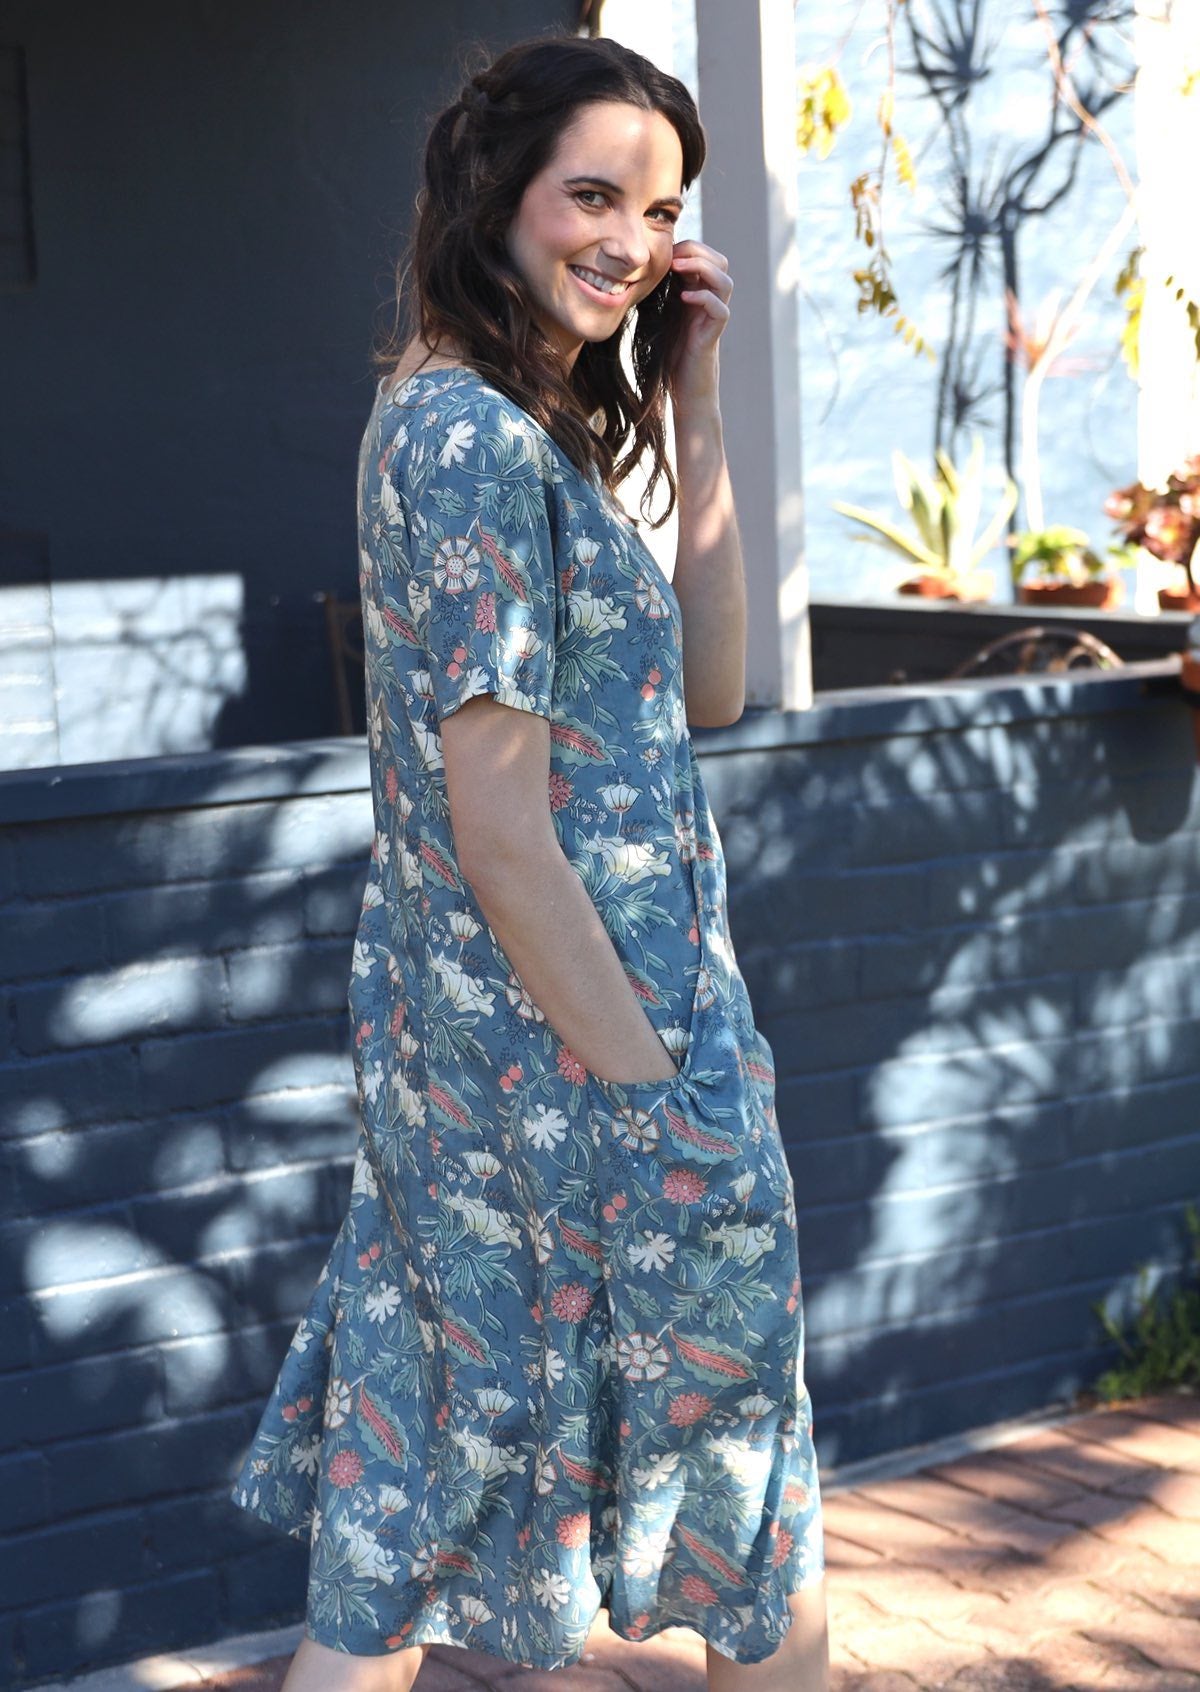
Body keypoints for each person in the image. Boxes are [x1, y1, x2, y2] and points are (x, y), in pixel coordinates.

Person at [229, 30, 829, 1692]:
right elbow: (499, 827)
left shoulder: (483, 425)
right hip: (586, 1084)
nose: (632, 242)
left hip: (492, 1080)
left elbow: (707, 692)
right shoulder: (477, 446)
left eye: (660, 208)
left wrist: (697, 410)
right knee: (752, 1491)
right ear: (494, 195)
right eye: (593, 194)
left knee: (402, 1517)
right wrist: (658, 1107)